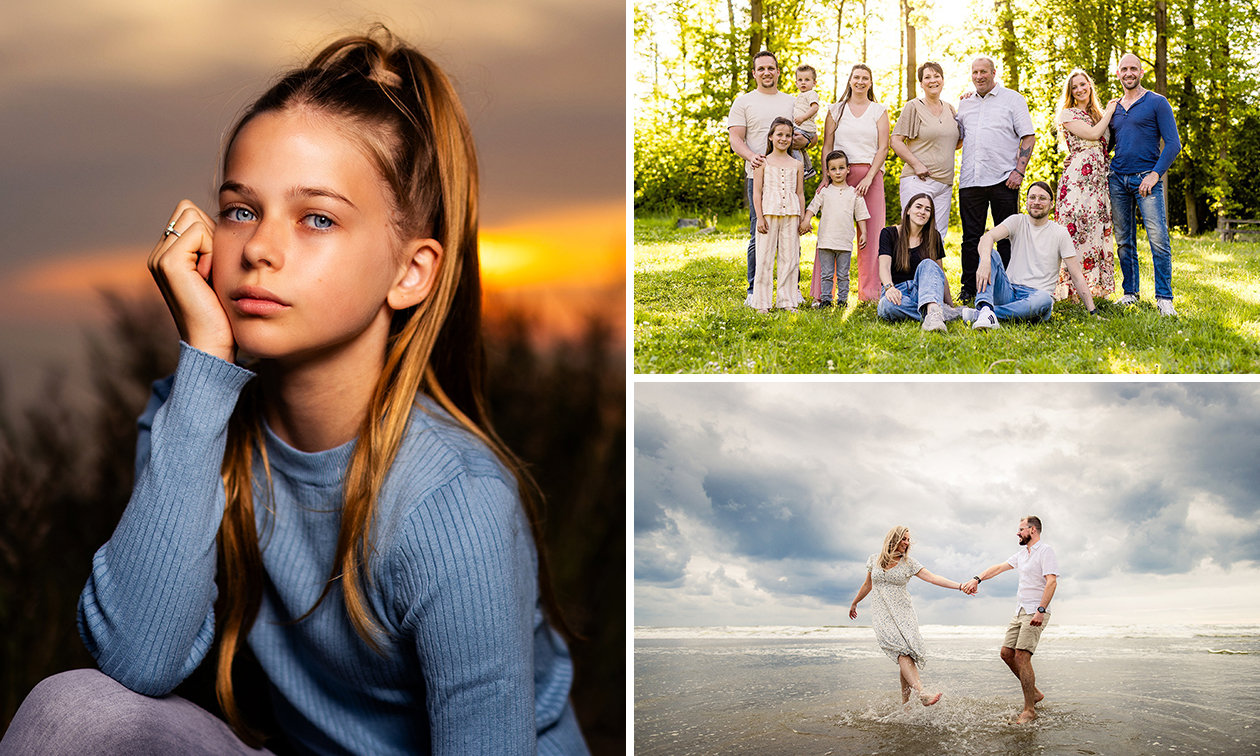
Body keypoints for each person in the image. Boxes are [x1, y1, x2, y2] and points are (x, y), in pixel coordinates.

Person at [0, 30, 588, 756]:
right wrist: (205, 363)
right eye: (242, 210)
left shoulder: (456, 504)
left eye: (317, 218)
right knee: (75, 711)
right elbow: (136, 659)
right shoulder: (191, 415)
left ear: (412, 272)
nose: (259, 249)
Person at [849, 526, 972, 706]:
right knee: (902, 651)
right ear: (893, 539)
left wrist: (960, 586)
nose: (907, 543)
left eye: (908, 540)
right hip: (882, 614)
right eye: (903, 539)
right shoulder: (874, 559)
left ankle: (905, 705)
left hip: (904, 614)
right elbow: (868, 584)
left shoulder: (909, 563)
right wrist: (855, 602)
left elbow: (933, 578)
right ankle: (922, 694)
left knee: (906, 655)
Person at [962, 516, 1059, 725]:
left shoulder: (1046, 551)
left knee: (1022, 656)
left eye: (1021, 529)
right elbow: (998, 568)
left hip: (1036, 610)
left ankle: (1029, 710)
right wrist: (976, 579)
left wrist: (1041, 610)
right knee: (1007, 654)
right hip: (1020, 611)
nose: (1018, 533)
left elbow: (1051, 582)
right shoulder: (1022, 555)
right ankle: (1033, 693)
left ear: (1032, 530)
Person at [729, 51, 812, 295]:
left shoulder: (792, 101)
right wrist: (751, 156)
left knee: (791, 236)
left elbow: (812, 136)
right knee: (759, 232)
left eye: (771, 68)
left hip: (790, 176)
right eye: (761, 68)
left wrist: (801, 142)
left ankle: (791, 289)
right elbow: (735, 138)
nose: (767, 72)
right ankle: (754, 291)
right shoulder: (743, 101)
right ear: (754, 73)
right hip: (760, 176)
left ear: (778, 72)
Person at [956, 56, 1036, 303]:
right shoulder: (965, 104)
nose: (979, 76)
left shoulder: (1012, 99)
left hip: (1005, 180)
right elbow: (956, 138)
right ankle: (969, 288)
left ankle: (1009, 285)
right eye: (974, 72)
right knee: (970, 238)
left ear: (993, 73)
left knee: (1007, 237)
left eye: (983, 72)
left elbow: (1028, 137)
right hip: (971, 179)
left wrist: (1019, 172)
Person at [964, 181, 1098, 328]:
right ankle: (987, 310)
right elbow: (987, 238)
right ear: (1026, 201)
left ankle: (984, 313)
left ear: (1051, 204)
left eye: (1042, 198)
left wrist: (1093, 312)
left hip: (1036, 297)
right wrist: (984, 262)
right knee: (990, 253)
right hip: (1009, 291)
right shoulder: (1017, 221)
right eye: (1032, 197)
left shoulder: (1060, 233)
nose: (1036, 202)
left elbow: (1077, 276)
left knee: (1044, 300)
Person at [1108, 52, 1182, 315]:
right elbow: (1107, 144)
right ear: (1118, 74)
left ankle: (1164, 298)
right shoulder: (1113, 107)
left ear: (1141, 72)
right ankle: (1130, 293)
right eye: (1124, 69)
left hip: (1146, 180)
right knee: (1124, 241)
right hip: (1117, 180)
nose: (1129, 73)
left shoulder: (1157, 102)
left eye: (1133, 69)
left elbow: (1173, 144)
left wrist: (1155, 174)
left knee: (1158, 239)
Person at [818, 63, 890, 301]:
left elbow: (883, 148)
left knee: (871, 233)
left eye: (865, 78)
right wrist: (825, 177)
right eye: (856, 77)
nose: (860, 82)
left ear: (870, 83)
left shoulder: (879, 111)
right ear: (850, 80)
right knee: (832, 232)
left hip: (870, 177)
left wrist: (870, 177)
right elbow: (827, 146)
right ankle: (824, 291)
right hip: (840, 175)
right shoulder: (835, 110)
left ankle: (869, 291)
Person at [1053, 69, 1119, 303]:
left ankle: (1092, 288)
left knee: (1094, 230)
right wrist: (1110, 111)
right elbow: (1092, 135)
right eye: (1075, 87)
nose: (1080, 89)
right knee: (1075, 230)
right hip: (1078, 180)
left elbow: (1103, 145)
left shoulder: (1096, 114)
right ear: (1070, 92)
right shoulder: (1067, 114)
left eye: (1083, 84)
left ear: (1090, 86)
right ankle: (1071, 292)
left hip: (1099, 181)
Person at [890, 62, 961, 241]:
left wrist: (969, 100)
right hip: (918, 180)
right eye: (927, 77)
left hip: (944, 184)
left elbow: (955, 143)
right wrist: (917, 164)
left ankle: (935, 270)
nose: (932, 81)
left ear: (943, 81)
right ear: (921, 83)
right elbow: (896, 141)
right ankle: (907, 270)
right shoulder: (913, 107)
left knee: (938, 238)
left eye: (936, 76)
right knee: (913, 235)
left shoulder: (950, 109)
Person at [747, 118, 805, 313]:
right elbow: (757, 192)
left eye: (788, 135)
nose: (784, 139)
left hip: (791, 214)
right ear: (771, 137)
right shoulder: (762, 162)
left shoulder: (797, 164)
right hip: (768, 214)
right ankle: (761, 302)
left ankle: (787, 300)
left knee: (790, 258)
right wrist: (760, 217)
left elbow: (800, 193)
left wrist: (803, 218)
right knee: (763, 257)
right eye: (779, 134)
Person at [877, 193, 959, 331]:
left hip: (925, 292)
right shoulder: (889, 233)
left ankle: (935, 310)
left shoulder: (934, 236)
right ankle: (938, 313)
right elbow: (884, 266)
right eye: (919, 207)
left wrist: (950, 304)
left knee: (928, 263)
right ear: (908, 210)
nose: (922, 212)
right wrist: (889, 288)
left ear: (930, 215)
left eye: (927, 209)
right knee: (886, 306)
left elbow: (939, 273)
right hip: (898, 293)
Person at [800, 150, 870, 308]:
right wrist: (806, 220)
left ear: (848, 169)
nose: (837, 172)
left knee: (843, 274)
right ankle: (825, 300)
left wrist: (864, 232)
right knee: (826, 274)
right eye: (833, 169)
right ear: (828, 172)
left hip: (844, 242)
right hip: (825, 241)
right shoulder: (824, 191)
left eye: (841, 168)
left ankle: (843, 300)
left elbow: (861, 215)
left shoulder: (855, 193)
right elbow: (813, 207)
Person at [791, 64, 821, 177]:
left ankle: (801, 169)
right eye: (800, 80)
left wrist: (803, 118)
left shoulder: (811, 94)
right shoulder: (800, 95)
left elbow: (815, 107)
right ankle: (809, 169)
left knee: (792, 144)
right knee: (801, 149)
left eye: (807, 80)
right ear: (796, 83)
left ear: (814, 83)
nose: (803, 82)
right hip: (801, 127)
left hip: (804, 127)